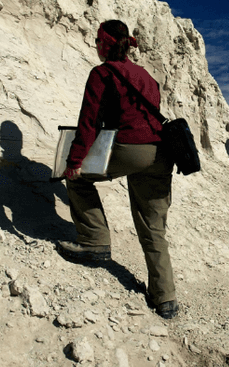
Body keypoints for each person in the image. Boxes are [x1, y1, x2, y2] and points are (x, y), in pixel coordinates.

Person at [57, 20, 179, 319]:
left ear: (107, 43)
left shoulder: (101, 73)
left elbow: (89, 122)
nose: (95, 45)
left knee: (76, 180)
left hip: (130, 148)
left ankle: (95, 241)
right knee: (153, 226)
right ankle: (165, 299)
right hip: (162, 153)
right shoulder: (146, 75)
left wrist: (74, 162)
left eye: (97, 40)